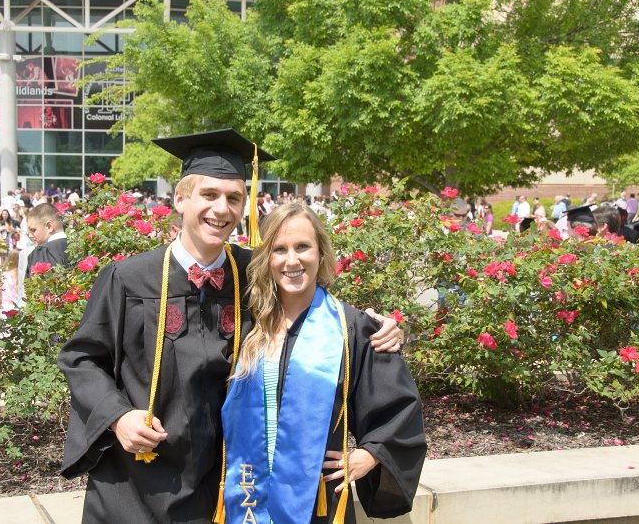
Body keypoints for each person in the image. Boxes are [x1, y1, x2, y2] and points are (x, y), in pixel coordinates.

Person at [57, 129, 402, 523]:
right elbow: (82, 359)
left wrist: (379, 328)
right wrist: (119, 417)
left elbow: (316, 313)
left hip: (227, 483)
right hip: (138, 483)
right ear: (180, 199)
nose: (221, 209)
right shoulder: (129, 279)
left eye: (234, 198)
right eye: (209, 194)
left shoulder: (254, 274)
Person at [221, 203, 426, 523]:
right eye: (279, 249)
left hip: (317, 500)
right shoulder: (246, 322)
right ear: (267, 258)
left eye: (303, 247)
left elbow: (399, 408)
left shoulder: (350, 328)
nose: (292, 260)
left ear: (320, 253)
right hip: (248, 494)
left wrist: (370, 454)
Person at [25, 202, 69, 276]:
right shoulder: (82, 246)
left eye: (33, 230)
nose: (30, 235)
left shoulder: (42, 252)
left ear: (49, 226)